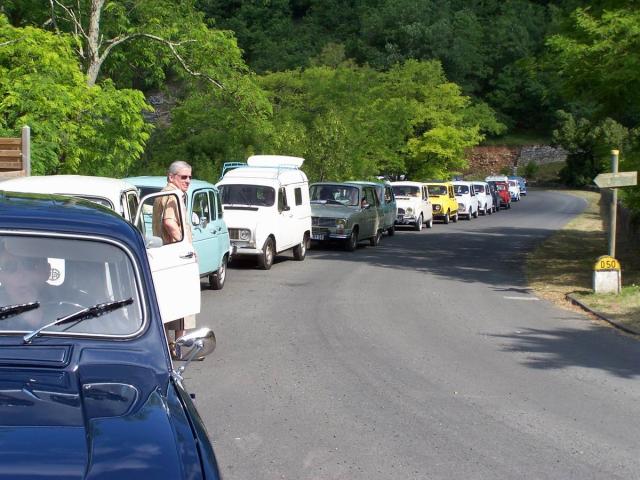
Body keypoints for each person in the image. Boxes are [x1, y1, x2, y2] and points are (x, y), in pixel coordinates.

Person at [152, 160, 196, 358]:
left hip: (165, 253)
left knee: (168, 303)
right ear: (171, 177)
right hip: (176, 254)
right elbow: (169, 222)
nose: (187, 181)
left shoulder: (164, 193)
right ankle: (177, 346)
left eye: (189, 177)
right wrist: (184, 242)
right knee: (183, 301)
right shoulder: (172, 194)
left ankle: (169, 344)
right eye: (183, 177)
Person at [0, 241, 52, 331]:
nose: (21, 274)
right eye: (9, 267)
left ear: (47, 270)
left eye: (29, 264)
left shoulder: (72, 305)